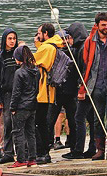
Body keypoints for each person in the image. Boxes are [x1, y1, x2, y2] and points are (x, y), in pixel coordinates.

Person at [79, 13, 107, 160]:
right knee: (97, 120)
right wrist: (84, 87)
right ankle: (100, 149)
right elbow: (86, 62)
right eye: (104, 25)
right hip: (96, 85)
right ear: (97, 25)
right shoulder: (90, 42)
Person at [33, 22, 64, 164]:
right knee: (44, 123)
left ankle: (42, 152)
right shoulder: (54, 45)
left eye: (39, 33)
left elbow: (34, 61)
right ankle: (45, 150)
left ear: (46, 34)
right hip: (50, 91)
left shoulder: (46, 48)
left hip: (42, 91)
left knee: (40, 123)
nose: (37, 36)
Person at [58, 23, 87, 160]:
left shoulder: (81, 49)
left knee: (78, 119)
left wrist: (81, 87)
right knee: (80, 119)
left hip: (81, 90)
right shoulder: (78, 48)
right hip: (80, 89)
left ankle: (78, 149)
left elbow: (83, 70)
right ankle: (83, 148)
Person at [0, 28, 20, 164]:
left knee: (20, 123)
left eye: (14, 39)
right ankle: (8, 152)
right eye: (9, 39)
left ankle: (23, 151)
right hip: (6, 94)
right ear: (4, 40)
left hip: (20, 94)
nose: (12, 41)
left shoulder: (18, 54)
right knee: (7, 123)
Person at [9, 45, 39, 167]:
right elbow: (37, 89)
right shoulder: (36, 71)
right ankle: (32, 158)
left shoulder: (19, 72)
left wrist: (12, 107)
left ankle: (21, 159)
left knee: (18, 132)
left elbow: (16, 92)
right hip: (32, 105)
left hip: (21, 106)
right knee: (31, 133)